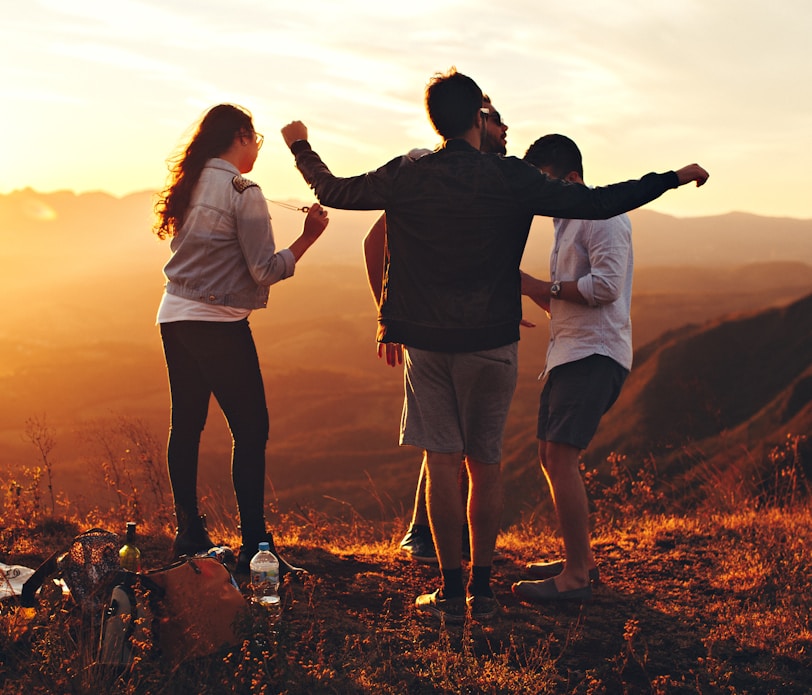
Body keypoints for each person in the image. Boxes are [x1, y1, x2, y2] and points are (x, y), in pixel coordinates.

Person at [280, 68, 708, 622]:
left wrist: (300, 146)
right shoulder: (508, 177)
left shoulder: (409, 174)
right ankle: (482, 589)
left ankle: (451, 592)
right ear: (479, 119)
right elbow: (600, 202)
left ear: (436, 119)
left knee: (442, 464)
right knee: (486, 466)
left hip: (429, 341)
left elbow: (336, 191)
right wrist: (671, 177)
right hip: (492, 339)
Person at [153, 103, 329, 578]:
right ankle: (257, 547)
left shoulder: (190, 182)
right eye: (256, 140)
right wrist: (309, 237)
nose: (257, 150)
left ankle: (189, 533)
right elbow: (265, 270)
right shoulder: (243, 191)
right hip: (219, 323)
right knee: (251, 430)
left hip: (174, 315)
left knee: (186, 425)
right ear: (240, 137)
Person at [363, 96, 509, 565]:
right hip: (432, 328)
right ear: (475, 122)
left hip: (467, 325)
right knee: (446, 442)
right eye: (496, 119)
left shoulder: (485, 179)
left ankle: (439, 542)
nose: (507, 128)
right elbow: (375, 240)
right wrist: (389, 317)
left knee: (452, 440)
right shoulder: (428, 171)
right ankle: (425, 535)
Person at [511, 134, 640, 603]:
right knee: (550, 454)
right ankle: (579, 559)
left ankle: (575, 579)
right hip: (570, 352)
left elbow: (605, 287)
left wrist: (539, 284)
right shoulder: (566, 221)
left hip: (595, 354)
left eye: (540, 181)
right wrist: (530, 292)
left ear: (568, 177)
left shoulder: (601, 216)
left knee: (561, 456)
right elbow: (570, 296)